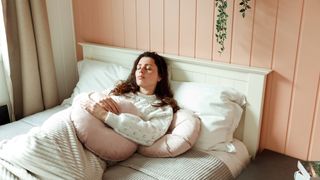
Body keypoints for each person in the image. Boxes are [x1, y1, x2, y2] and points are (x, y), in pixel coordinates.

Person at [81, 51, 179, 146]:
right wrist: (97, 98)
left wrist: (105, 115)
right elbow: (83, 99)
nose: (141, 70)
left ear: (160, 76)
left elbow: (150, 134)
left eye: (148, 68)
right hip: (83, 122)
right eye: (138, 67)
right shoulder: (120, 91)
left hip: (104, 142)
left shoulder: (162, 108)